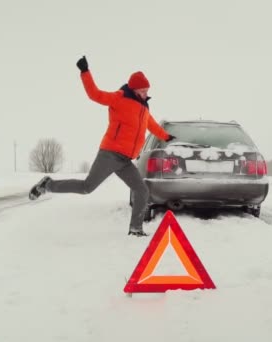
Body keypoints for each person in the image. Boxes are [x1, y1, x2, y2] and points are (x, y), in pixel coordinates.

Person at [29, 55, 175, 237]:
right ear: (134, 89)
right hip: (110, 154)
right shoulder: (119, 98)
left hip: (125, 160)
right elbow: (95, 94)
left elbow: (151, 124)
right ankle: (47, 185)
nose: (146, 94)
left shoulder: (144, 108)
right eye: (143, 90)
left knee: (141, 190)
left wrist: (166, 136)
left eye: (147, 90)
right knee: (86, 187)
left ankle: (136, 229)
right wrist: (85, 72)